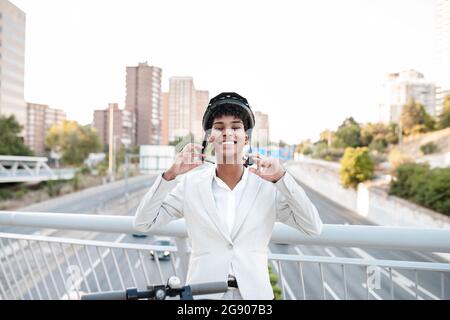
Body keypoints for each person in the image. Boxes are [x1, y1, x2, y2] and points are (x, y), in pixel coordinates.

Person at [133, 92, 323, 300]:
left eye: (235, 127)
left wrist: (282, 178)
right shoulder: (190, 184)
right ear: (210, 137)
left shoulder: (269, 186)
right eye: (219, 127)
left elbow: (313, 227)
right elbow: (143, 223)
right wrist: (170, 175)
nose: (227, 133)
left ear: (246, 137)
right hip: (203, 295)